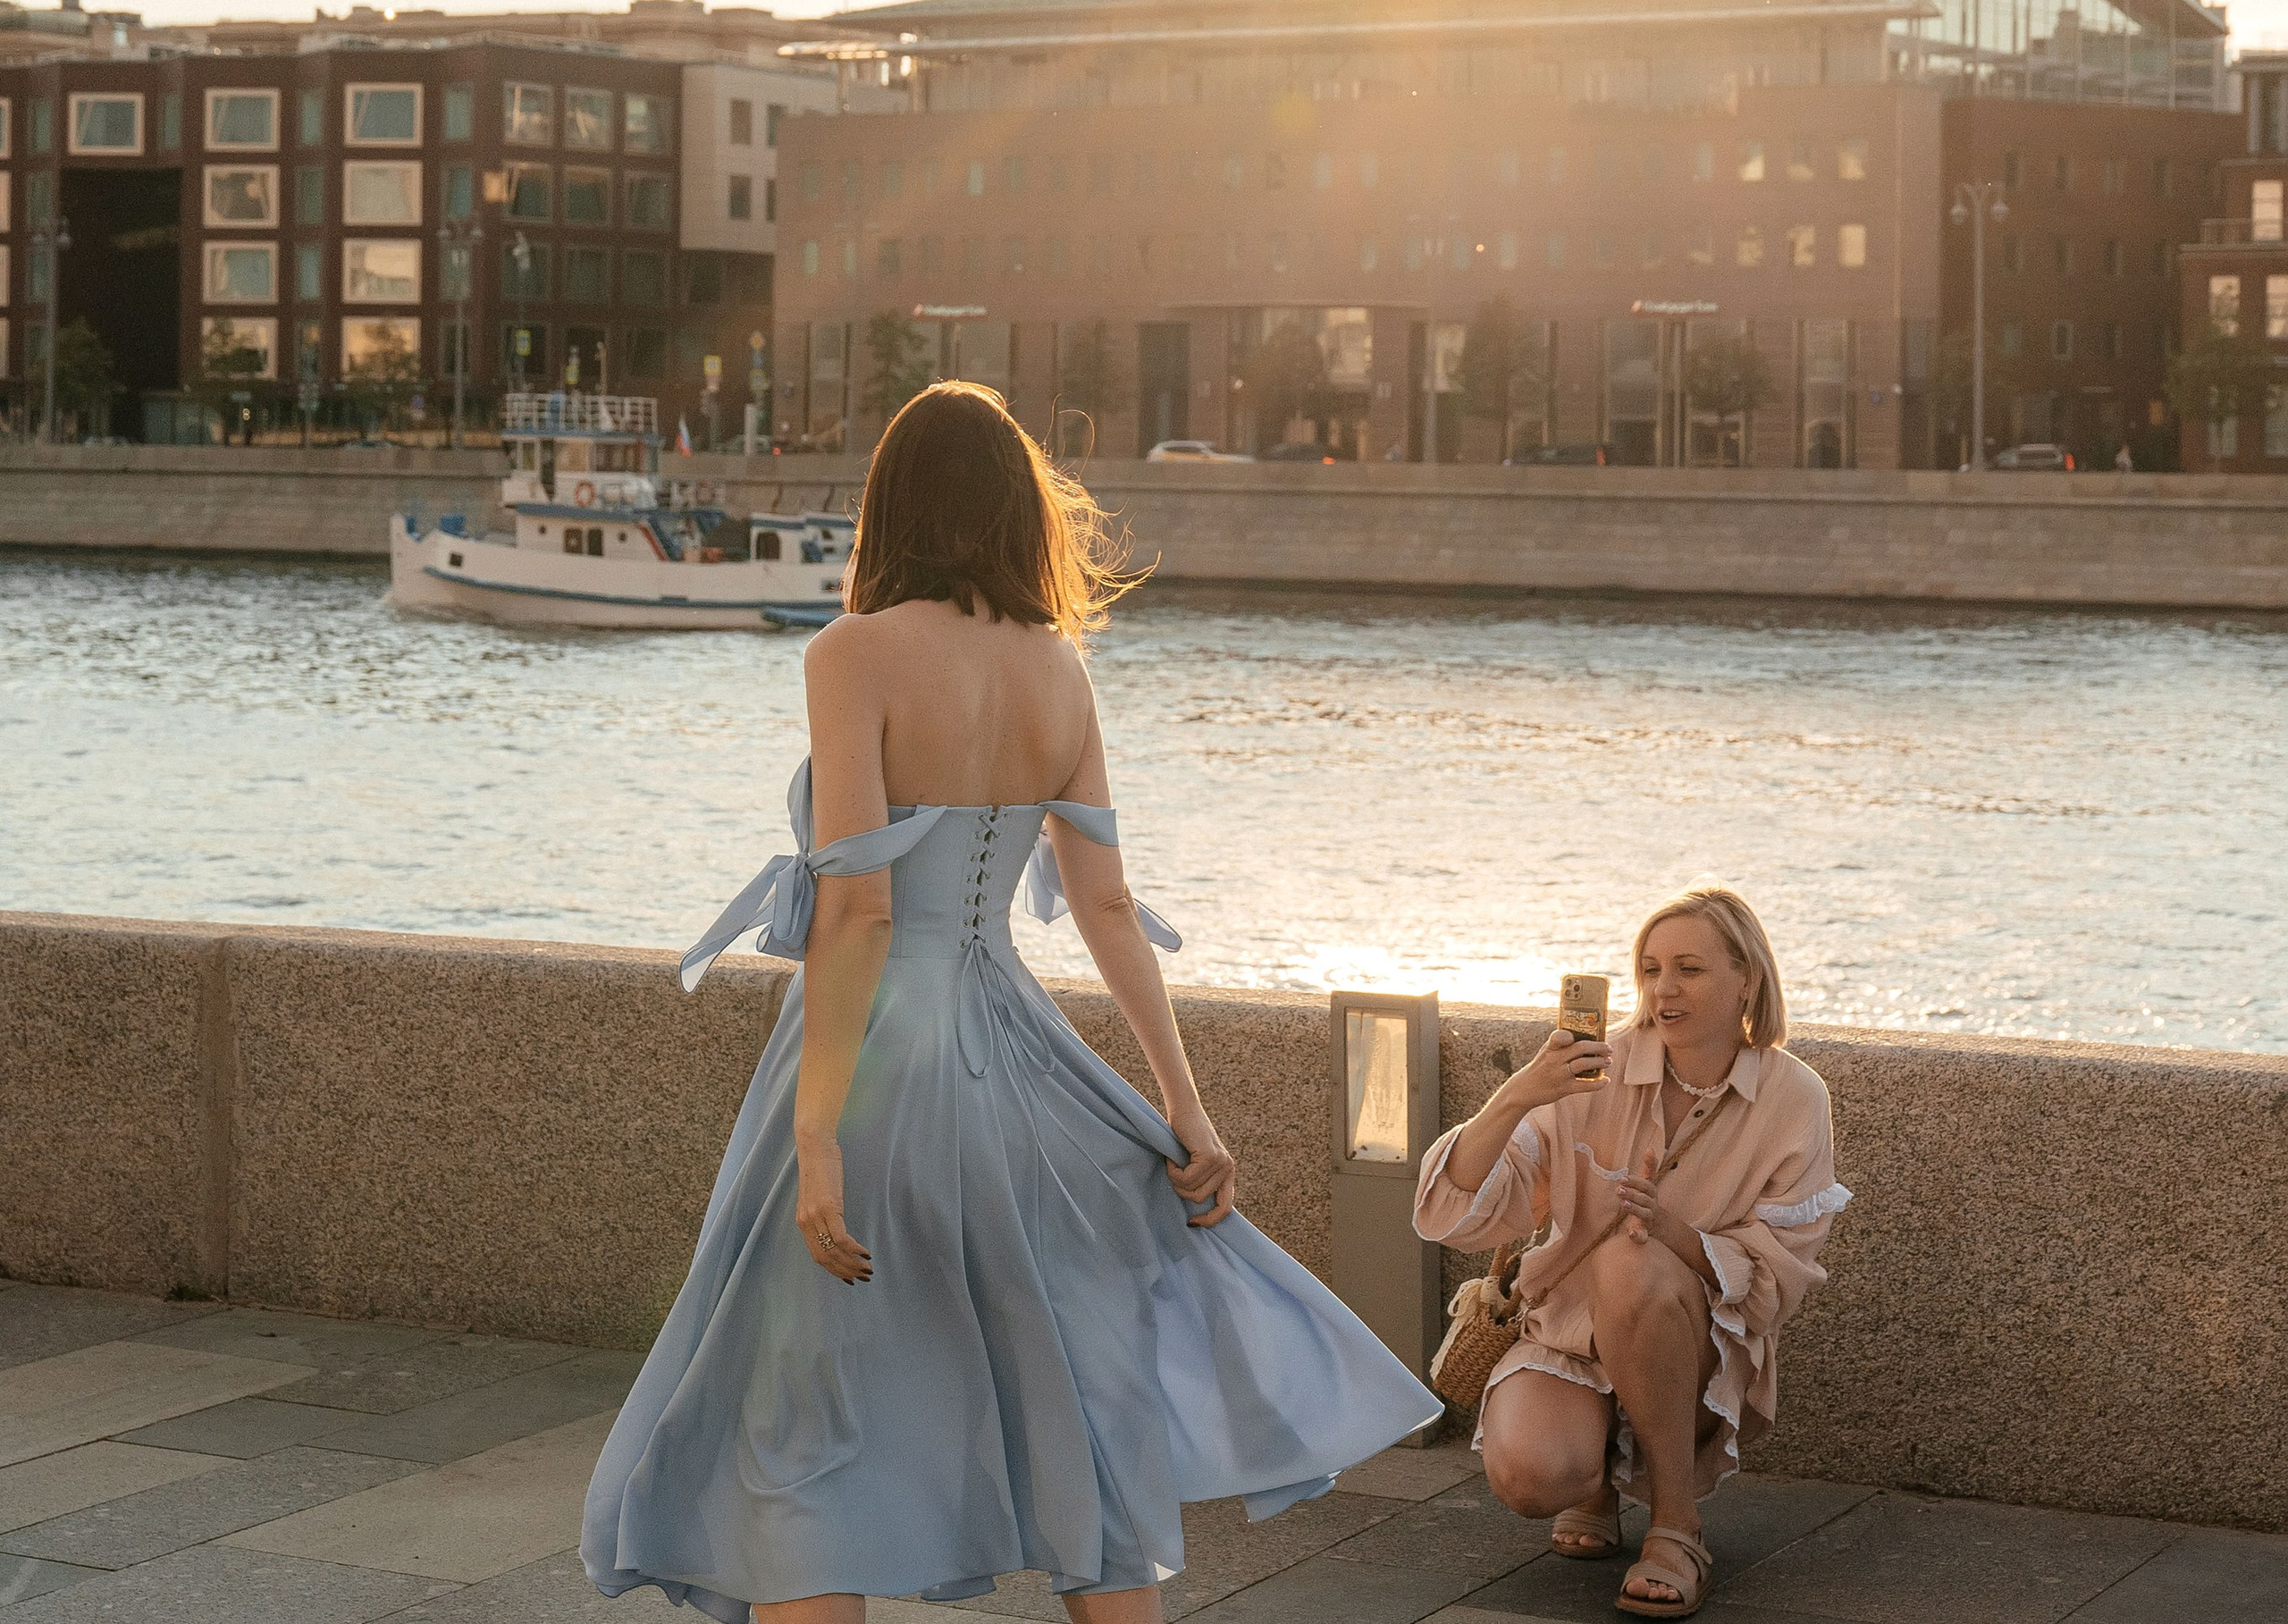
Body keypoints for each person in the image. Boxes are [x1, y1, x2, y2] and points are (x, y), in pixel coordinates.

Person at [584, 383, 1438, 1624]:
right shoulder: (1060, 669)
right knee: (1075, 1398)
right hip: (1022, 1067)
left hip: (875, 1066)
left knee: (805, 1414)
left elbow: (862, 914)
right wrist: (1184, 1106)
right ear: (1016, 512)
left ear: (890, 508)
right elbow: (1105, 908)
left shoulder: (852, 653)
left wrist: (818, 1134)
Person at [1413, 888, 1846, 1620]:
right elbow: (1452, 1213)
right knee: (1529, 1478)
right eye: (1649, 969)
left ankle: (1677, 1528)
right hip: (1570, 1333)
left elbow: (1781, 1278)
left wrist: (1674, 1235)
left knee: (1630, 1260)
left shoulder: (1794, 1095)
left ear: (1748, 977)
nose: (1663, 989)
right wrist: (1517, 1096)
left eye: (1689, 969)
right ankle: (1592, 1484)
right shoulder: (1591, 1068)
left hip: (1692, 1341)